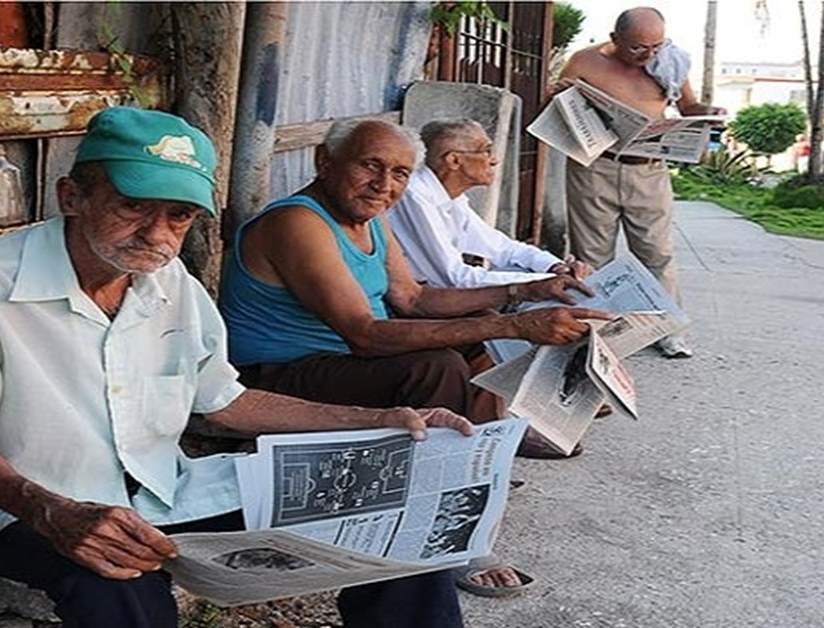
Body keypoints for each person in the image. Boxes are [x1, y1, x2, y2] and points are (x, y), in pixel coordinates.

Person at [0, 107, 473, 628]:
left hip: (164, 490)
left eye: (178, 215)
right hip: (25, 507)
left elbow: (227, 402)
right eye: (133, 206)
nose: (157, 234)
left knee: (401, 523)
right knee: (120, 585)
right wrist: (54, 511)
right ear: (72, 196)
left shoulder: (169, 281)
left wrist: (382, 419)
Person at [218, 118, 611, 595]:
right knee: (437, 367)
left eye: (400, 173)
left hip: (340, 360)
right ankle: (445, 533)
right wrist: (514, 324)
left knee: (476, 336)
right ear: (325, 161)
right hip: (278, 374)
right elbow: (364, 335)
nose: (384, 184)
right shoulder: (297, 222)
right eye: (370, 165)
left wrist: (526, 292)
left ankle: (476, 472)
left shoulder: (370, 218)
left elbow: (413, 298)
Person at [556, 6, 725, 359]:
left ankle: (668, 332)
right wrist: (554, 95)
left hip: (649, 170)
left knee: (656, 254)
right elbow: (557, 104)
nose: (648, 55)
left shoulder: (672, 62)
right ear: (615, 39)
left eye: (655, 46)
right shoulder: (584, 61)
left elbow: (689, 107)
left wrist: (709, 114)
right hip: (595, 168)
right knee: (592, 256)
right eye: (637, 47)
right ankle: (596, 332)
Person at [387, 118, 593, 288]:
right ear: (454, 161)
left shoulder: (452, 197)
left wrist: (555, 267)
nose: (494, 160)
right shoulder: (415, 195)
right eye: (486, 151)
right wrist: (547, 281)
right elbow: (453, 277)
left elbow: (503, 248)